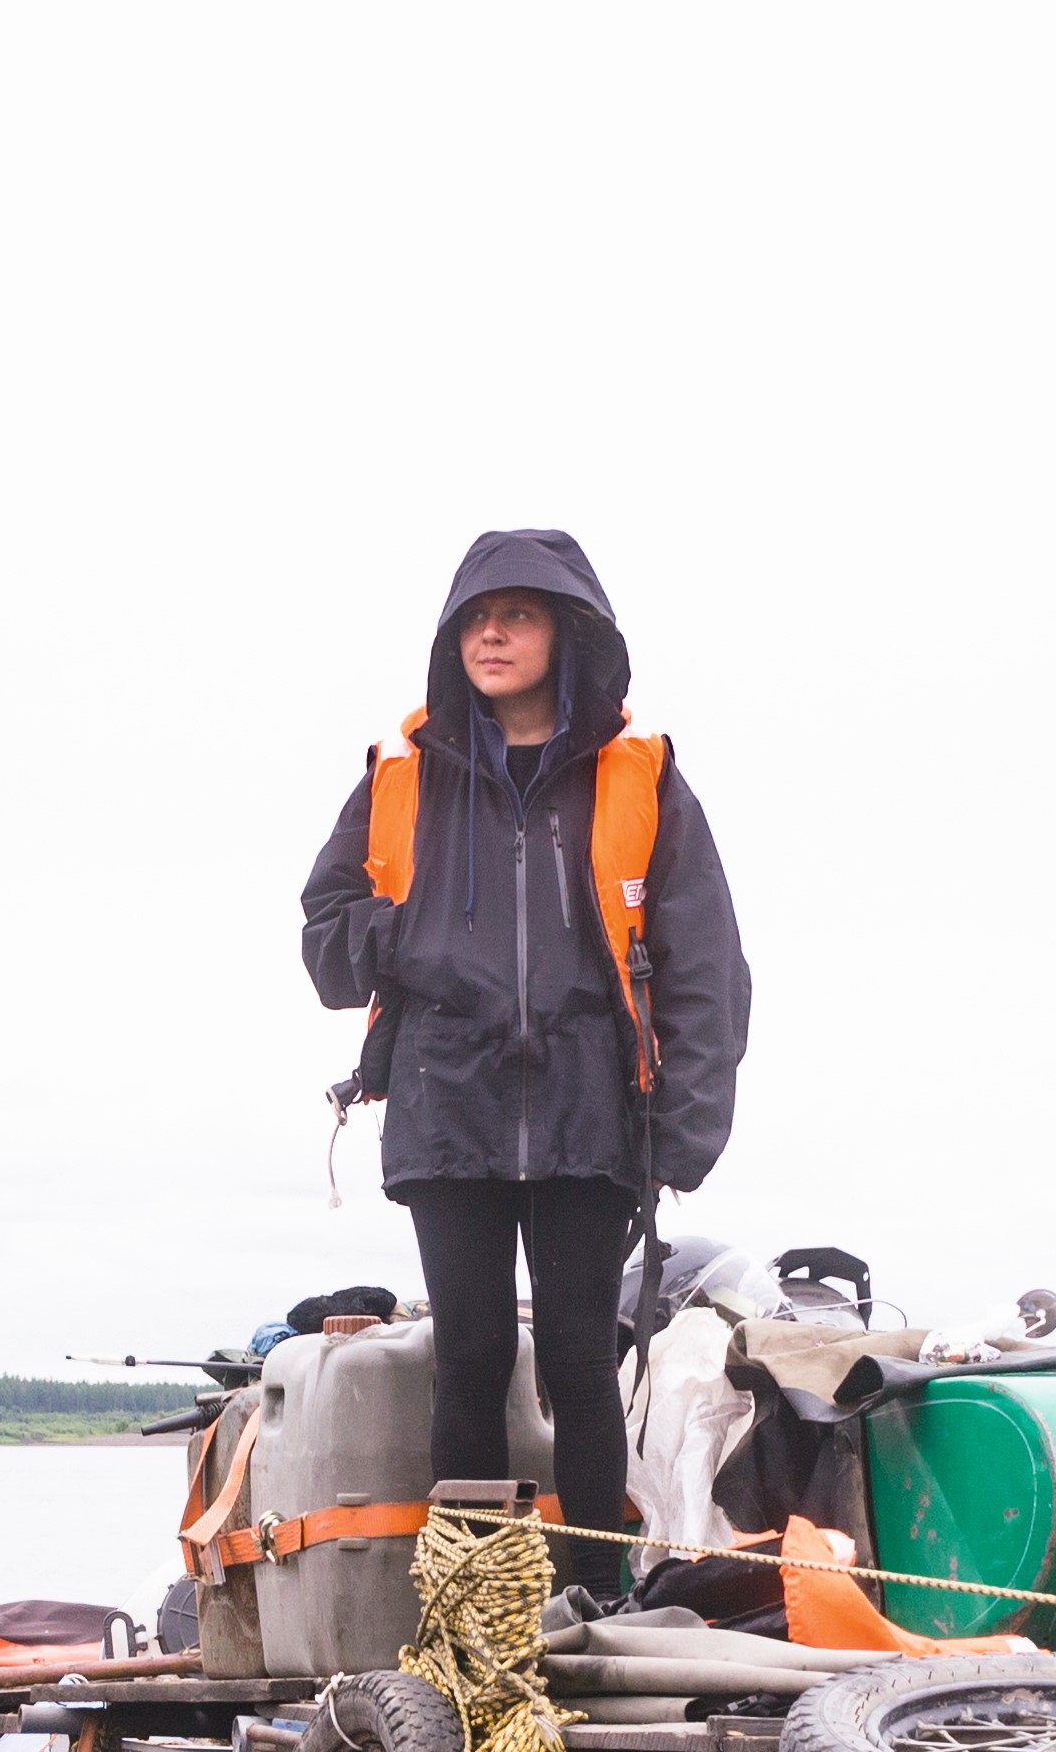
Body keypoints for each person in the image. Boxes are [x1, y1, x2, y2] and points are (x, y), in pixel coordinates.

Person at [296, 529, 751, 1599]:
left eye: (520, 615)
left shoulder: (643, 779)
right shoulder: (399, 775)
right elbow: (325, 940)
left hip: (594, 1110)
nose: (490, 634)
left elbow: (708, 968)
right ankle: (477, 1611)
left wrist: (685, 1127)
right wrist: (407, 939)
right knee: (470, 1357)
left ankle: (595, 1600)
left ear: (570, 635)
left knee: (586, 1362)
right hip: (444, 1104)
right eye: (474, 617)